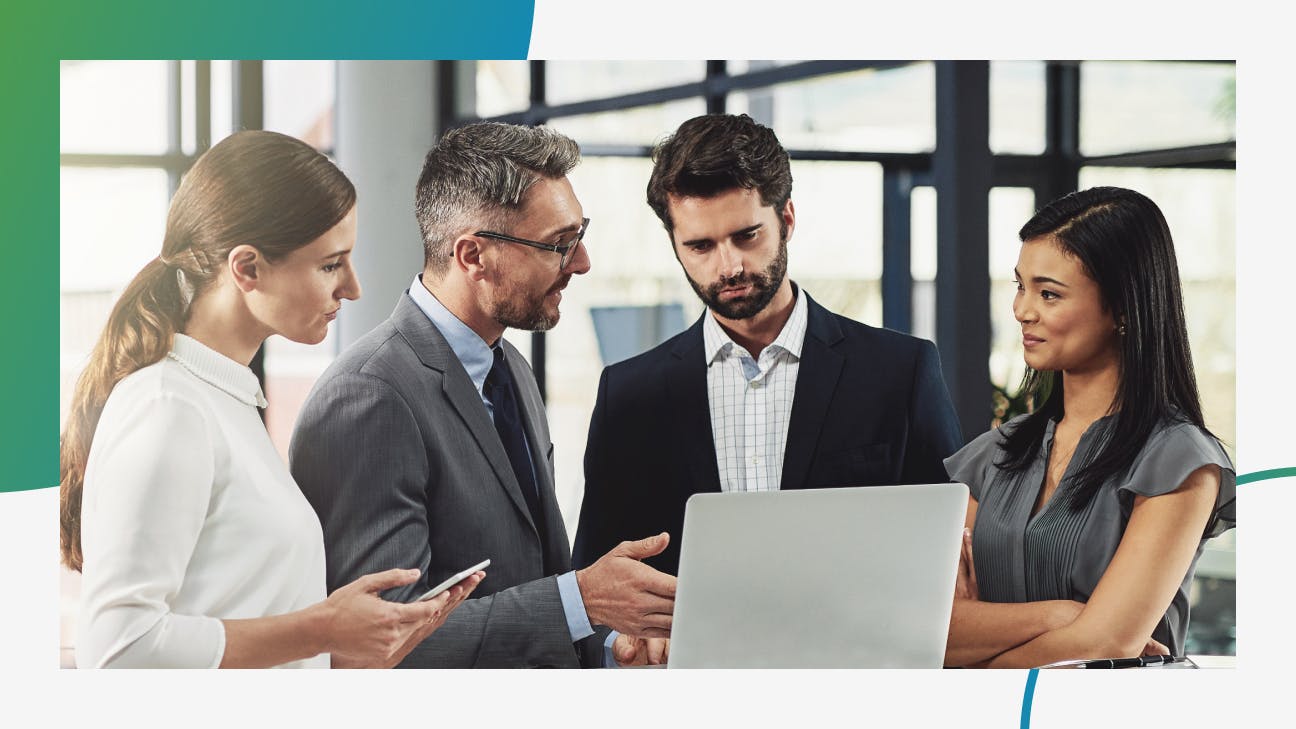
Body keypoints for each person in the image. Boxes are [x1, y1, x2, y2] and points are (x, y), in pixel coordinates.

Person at [61, 131, 481, 669]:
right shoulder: (170, 407)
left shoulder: (225, 400)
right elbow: (118, 649)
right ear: (248, 269)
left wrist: (358, 646)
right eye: (331, 264)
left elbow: (242, 622)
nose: (352, 287)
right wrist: (323, 629)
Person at [290, 122, 676, 669]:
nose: (582, 262)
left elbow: (534, 584)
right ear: (473, 256)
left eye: (579, 234)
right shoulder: (369, 397)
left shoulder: (509, 367)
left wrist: (611, 648)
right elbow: (383, 646)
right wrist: (583, 599)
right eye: (558, 245)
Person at [572, 113, 964, 579]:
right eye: (700, 246)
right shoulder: (628, 394)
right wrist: (626, 641)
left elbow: (949, 556)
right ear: (675, 245)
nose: (730, 265)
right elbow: (596, 578)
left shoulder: (900, 373)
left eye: (747, 235)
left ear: (787, 219)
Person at [942, 186, 1235, 668]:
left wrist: (978, 662)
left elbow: (1106, 644)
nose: (1022, 310)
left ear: (1123, 307)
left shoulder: (1180, 460)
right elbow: (933, 630)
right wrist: (1062, 616)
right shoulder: (992, 454)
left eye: (1049, 293)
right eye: (1021, 285)